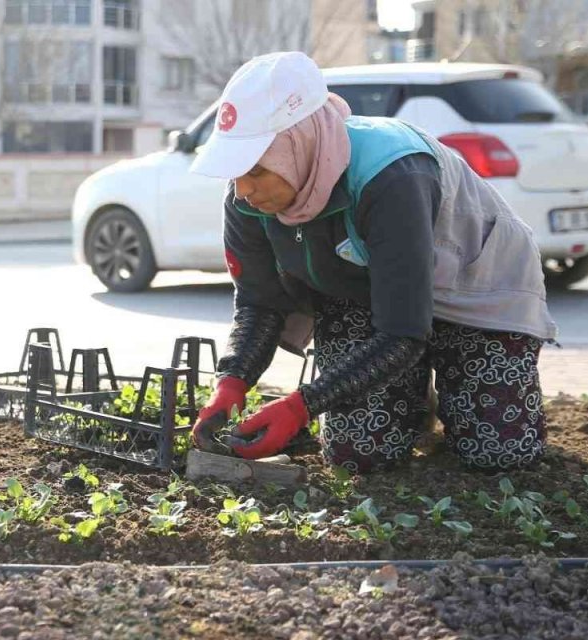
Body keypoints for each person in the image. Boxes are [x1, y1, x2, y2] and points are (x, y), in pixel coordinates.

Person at [188, 52, 557, 473]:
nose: (244, 189)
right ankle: (409, 403)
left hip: (476, 288)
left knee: (499, 455)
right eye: (235, 171)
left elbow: (403, 330)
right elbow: (260, 302)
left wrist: (300, 407)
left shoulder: (393, 175)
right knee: (358, 455)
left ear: (298, 143)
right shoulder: (246, 200)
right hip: (363, 293)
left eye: (255, 170)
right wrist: (231, 382)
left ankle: (447, 391)